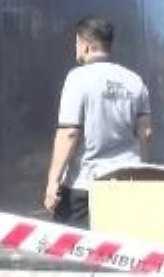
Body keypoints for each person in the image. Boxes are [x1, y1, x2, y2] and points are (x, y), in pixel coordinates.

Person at [44, 16, 152, 229]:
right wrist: (142, 171)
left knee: (76, 253)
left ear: (84, 45)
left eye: (76, 43)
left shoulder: (77, 78)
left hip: (85, 185)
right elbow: (146, 133)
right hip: (127, 181)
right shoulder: (134, 80)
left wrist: (52, 182)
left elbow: (69, 133)